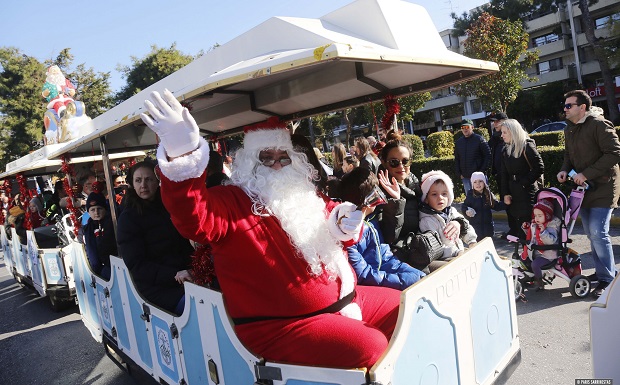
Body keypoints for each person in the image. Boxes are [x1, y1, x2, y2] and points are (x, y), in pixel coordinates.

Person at [140, 89, 400, 370]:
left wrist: (345, 224)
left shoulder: (302, 194)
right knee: (371, 346)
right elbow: (192, 217)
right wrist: (183, 156)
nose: (277, 164)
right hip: (281, 327)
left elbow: (335, 222)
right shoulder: (232, 201)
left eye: (283, 157)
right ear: (250, 162)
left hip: (345, 298)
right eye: (266, 157)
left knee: (405, 306)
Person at [557, 89, 620, 297]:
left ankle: (608, 280)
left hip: (604, 186)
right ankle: (603, 272)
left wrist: (586, 173)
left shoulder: (599, 124)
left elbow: (614, 153)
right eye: (565, 105)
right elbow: (568, 154)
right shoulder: (569, 128)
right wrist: (565, 169)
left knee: (597, 232)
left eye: (569, 106)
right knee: (591, 235)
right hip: (583, 189)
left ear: (582, 107)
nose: (565, 109)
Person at [377, 130, 464, 271]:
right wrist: (396, 200)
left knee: (468, 260)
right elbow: (389, 237)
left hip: (430, 246)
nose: (401, 166)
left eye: (405, 161)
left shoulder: (418, 185)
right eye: (394, 162)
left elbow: (441, 211)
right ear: (384, 163)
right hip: (406, 256)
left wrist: (458, 223)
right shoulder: (380, 193)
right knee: (454, 270)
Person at [116, 160, 195, 314]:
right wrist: (174, 275)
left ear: (158, 181)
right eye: (138, 180)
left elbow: (183, 243)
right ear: (132, 184)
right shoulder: (128, 218)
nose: (143, 185)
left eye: (149, 179)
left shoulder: (168, 206)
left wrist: (195, 267)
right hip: (156, 286)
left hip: (184, 275)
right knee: (194, 307)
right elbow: (137, 265)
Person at [336, 167, 425, 290]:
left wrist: (396, 200)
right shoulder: (347, 232)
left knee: (425, 279)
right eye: (375, 191)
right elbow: (363, 275)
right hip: (374, 284)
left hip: (388, 268)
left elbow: (390, 238)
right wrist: (404, 280)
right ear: (367, 200)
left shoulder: (372, 218)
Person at [419, 170, 477, 262]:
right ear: (426, 199)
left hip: (458, 254)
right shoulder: (427, 221)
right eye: (434, 194)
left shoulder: (451, 211)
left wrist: (472, 241)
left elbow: (466, 225)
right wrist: (456, 252)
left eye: (444, 194)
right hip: (445, 260)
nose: (440, 197)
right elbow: (435, 247)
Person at [500, 119, 544, 238]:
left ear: (513, 132)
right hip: (513, 192)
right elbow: (503, 173)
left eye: (504, 132)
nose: (502, 135)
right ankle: (524, 253)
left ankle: (531, 253)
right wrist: (505, 193)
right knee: (519, 225)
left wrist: (523, 183)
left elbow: (539, 167)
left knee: (530, 225)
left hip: (527, 192)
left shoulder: (527, 145)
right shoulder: (505, 149)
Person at [521, 198, 561, 291]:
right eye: (535, 215)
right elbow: (532, 236)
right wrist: (526, 228)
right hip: (536, 252)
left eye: (539, 215)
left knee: (535, 264)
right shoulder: (536, 224)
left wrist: (543, 232)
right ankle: (529, 277)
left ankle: (539, 282)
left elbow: (551, 241)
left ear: (547, 216)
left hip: (548, 255)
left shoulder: (551, 226)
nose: (536, 218)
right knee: (523, 260)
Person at [462, 172, 506, 241]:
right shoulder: (470, 195)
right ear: (472, 184)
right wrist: (467, 211)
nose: (478, 184)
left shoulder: (488, 194)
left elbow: (496, 206)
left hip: (488, 228)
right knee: (477, 248)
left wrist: (505, 203)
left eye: (480, 181)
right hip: (475, 228)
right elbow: (464, 206)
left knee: (487, 248)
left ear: (484, 183)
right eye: (475, 182)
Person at [83, 191, 116, 280]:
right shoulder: (88, 229)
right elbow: (91, 252)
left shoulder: (112, 223)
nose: (96, 212)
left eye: (99, 209)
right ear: (88, 212)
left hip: (113, 265)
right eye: (92, 210)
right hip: (100, 269)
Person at [454, 119, 491, 196]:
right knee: (470, 200)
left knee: (484, 199)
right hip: (466, 178)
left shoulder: (479, 139)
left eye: (467, 127)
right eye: (462, 127)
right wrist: (459, 173)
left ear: (472, 127)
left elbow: (488, 155)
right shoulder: (459, 142)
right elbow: (457, 159)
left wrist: (482, 171)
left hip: (479, 178)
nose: (465, 129)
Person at [488, 111, 508, 195]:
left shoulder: (510, 136)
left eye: (497, 121)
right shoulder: (494, 136)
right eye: (494, 122)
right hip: (498, 173)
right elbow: (487, 147)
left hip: (508, 174)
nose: (495, 124)